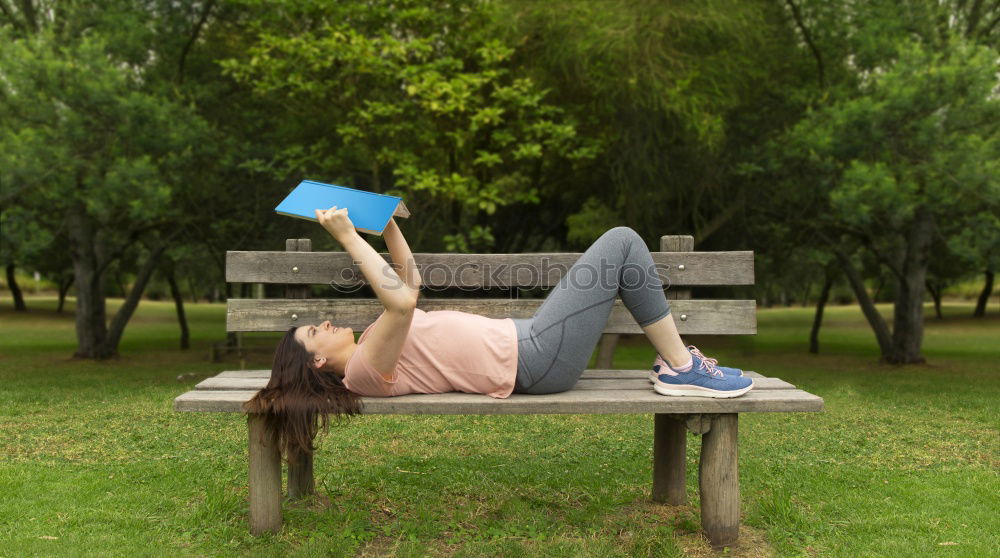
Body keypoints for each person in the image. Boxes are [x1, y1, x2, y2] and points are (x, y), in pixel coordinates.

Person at [246, 205, 753, 459]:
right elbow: (402, 302)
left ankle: (677, 364)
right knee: (622, 244)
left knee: (620, 250)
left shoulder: (372, 346)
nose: (327, 322)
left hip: (532, 339)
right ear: (316, 362)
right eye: (316, 331)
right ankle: (682, 367)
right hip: (535, 358)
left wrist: (387, 223)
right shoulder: (360, 371)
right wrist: (347, 237)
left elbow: (410, 283)